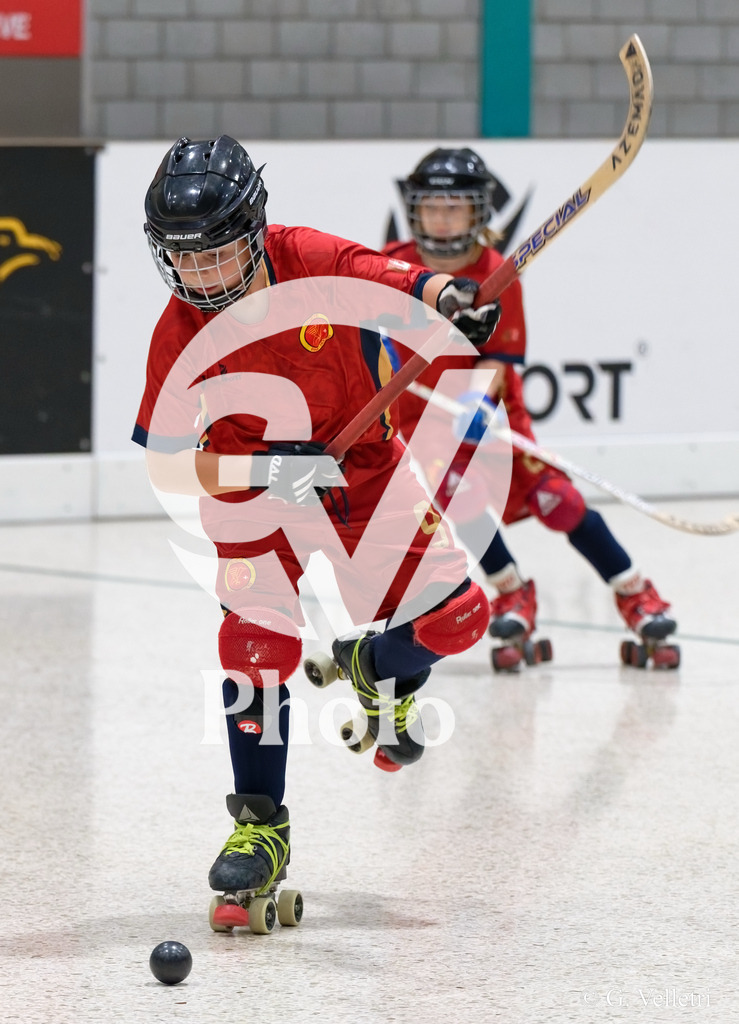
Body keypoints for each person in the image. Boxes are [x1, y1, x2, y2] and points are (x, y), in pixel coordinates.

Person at [132, 135, 502, 929]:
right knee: (256, 645)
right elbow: (170, 469)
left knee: (460, 616)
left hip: (362, 464)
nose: (200, 278)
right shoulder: (177, 335)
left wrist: (441, 293)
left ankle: (372, 665)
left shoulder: (304, 256)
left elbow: (383, 275)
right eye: (182, 260)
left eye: (216, 255)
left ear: (255, 232)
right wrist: (268, 476)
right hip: (248, 489)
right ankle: (259, 824)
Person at [382, 146, 677, 670]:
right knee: (457, 501)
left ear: (478, 212)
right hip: (420, 419)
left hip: (490, 412)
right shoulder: (391, 264)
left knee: (555, 500)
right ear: (415, 209)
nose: (443, 217)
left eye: (456, 206)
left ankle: (635, 593)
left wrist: (474, 400)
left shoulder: (496, 272)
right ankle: (512, 591)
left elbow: (498, 359)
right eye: (432, 205)